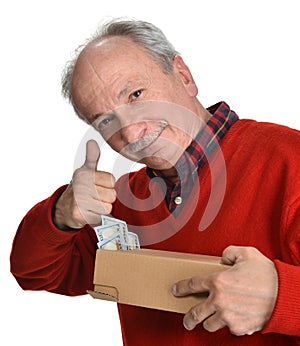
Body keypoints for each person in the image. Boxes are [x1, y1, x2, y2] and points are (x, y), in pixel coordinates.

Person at [10, 18, 300, 345]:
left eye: (136, 94)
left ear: (183, 75)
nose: (132, 133)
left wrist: (283, 297)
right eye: (105, 120)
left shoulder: (290, 161)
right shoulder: (122, 204)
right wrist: (60, 215)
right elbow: (34, 271)